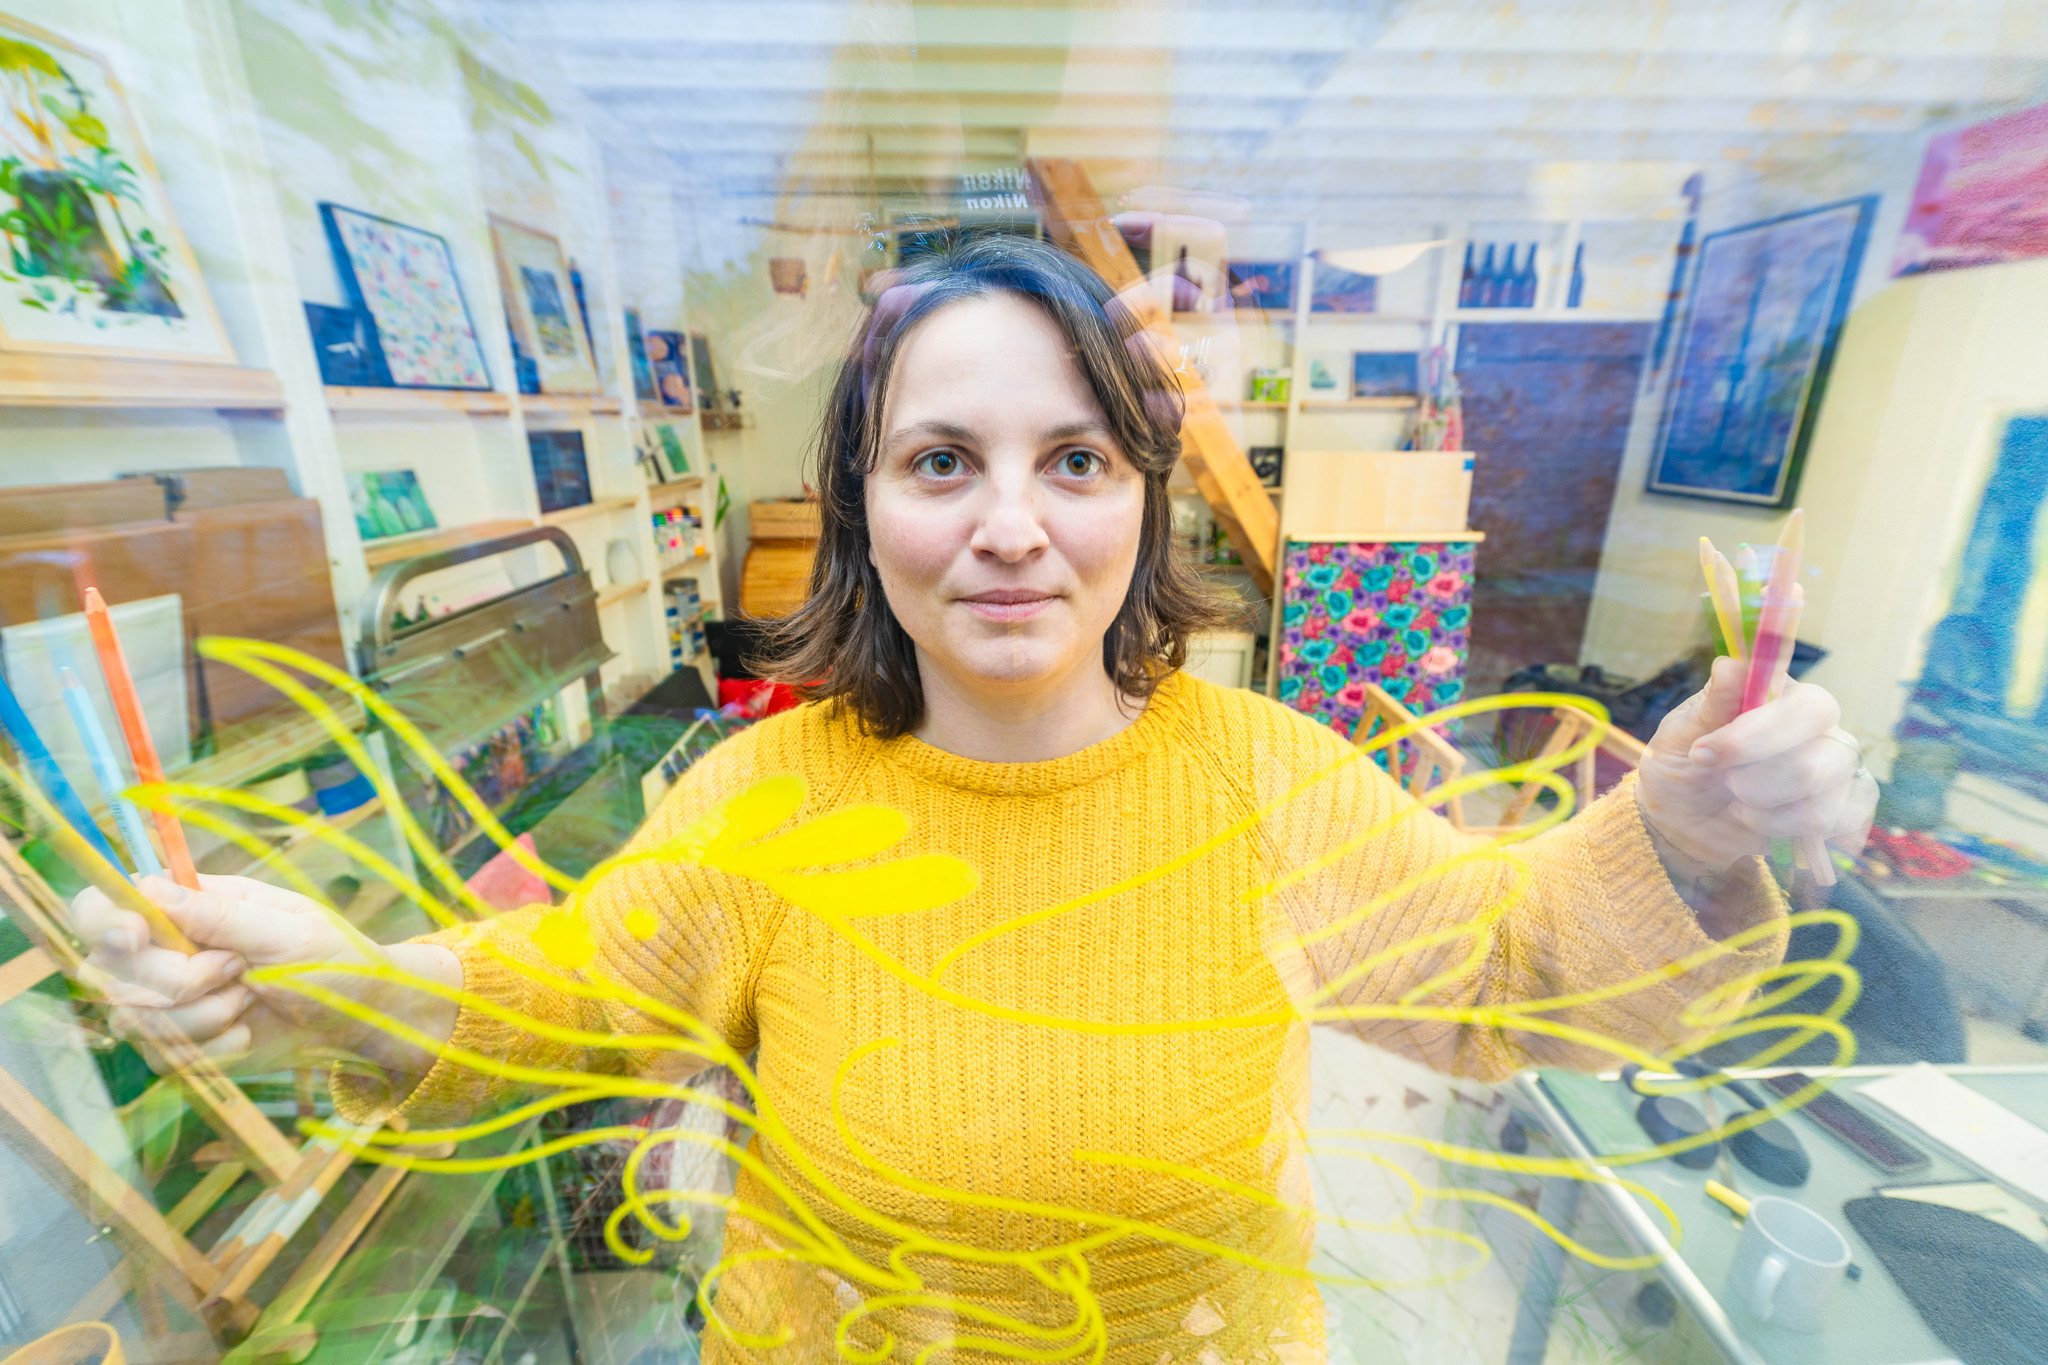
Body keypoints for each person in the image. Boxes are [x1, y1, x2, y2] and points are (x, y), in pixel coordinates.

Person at [78, 227, 1874, 1363]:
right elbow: (556, 1012)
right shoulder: (761, 805)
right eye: (943, 461)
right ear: (863, 507)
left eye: (1073, 459)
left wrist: (1689, 829)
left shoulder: (1266, 780)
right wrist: (323, 980)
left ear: (1142, 504)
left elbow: (1510, 970)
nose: (1012, 524)